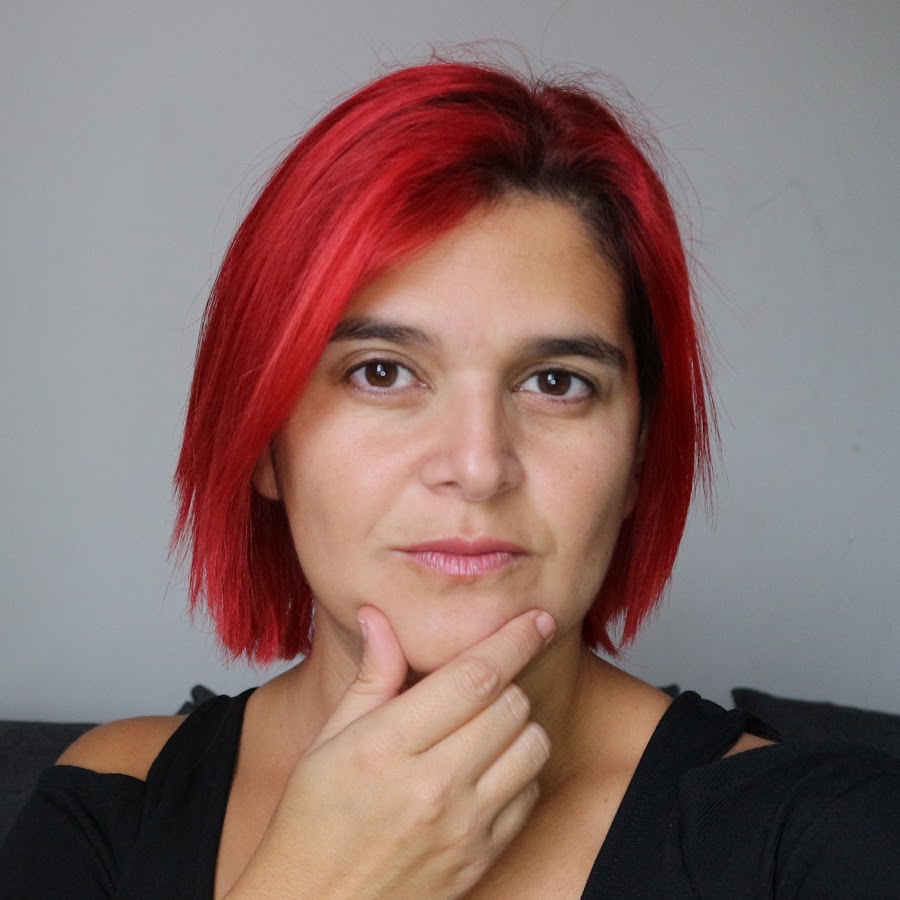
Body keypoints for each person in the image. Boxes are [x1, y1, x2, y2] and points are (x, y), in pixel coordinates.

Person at [2, 58, 898, 899]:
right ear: (265, 439)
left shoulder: (826, 834)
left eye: (557, 383)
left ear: (636, 460)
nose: (476, 466)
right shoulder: (114, 799)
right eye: (382, 372)